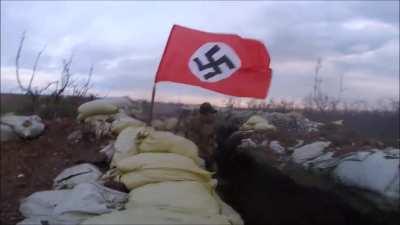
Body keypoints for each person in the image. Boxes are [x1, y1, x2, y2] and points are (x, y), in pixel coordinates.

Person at [175, 102, 218, 171]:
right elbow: (193, 141)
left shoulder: (209, 122)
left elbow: (212, 137)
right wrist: (207, 151)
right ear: (204, 114)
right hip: (198, 154)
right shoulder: (194, 123)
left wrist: (213, 144)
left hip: (208, 153)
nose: (212, 115)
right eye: (210, 113)